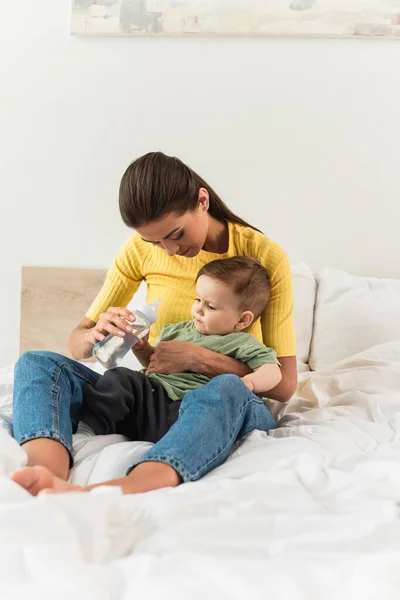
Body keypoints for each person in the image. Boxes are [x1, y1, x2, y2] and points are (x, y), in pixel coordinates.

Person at [11, 151, 297, 493]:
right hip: (155, 395)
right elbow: (77, 344)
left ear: (202, 201)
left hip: (218, 403)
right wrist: (98, 333)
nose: (169, 251)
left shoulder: (263, 256)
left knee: (225, 390)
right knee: (37, 363)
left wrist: (198, 358)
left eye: (175, 234)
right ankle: (44, 478)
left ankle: (125, 487)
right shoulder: (139, 251)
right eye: (154, 241)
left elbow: (284, 385)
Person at [12, 256, 281, 495]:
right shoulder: (179, 329)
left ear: (243, 320)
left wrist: (248, 382)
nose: (198, 309)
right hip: (155, 401)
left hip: (195, 412)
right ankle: (47, 471)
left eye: (210, 307)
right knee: (49, 363)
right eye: (197, 299)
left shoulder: (243, 344)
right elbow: (154, 363)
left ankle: (133, 484)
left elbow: (273, 372)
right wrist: (142, 348)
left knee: (227, 386)